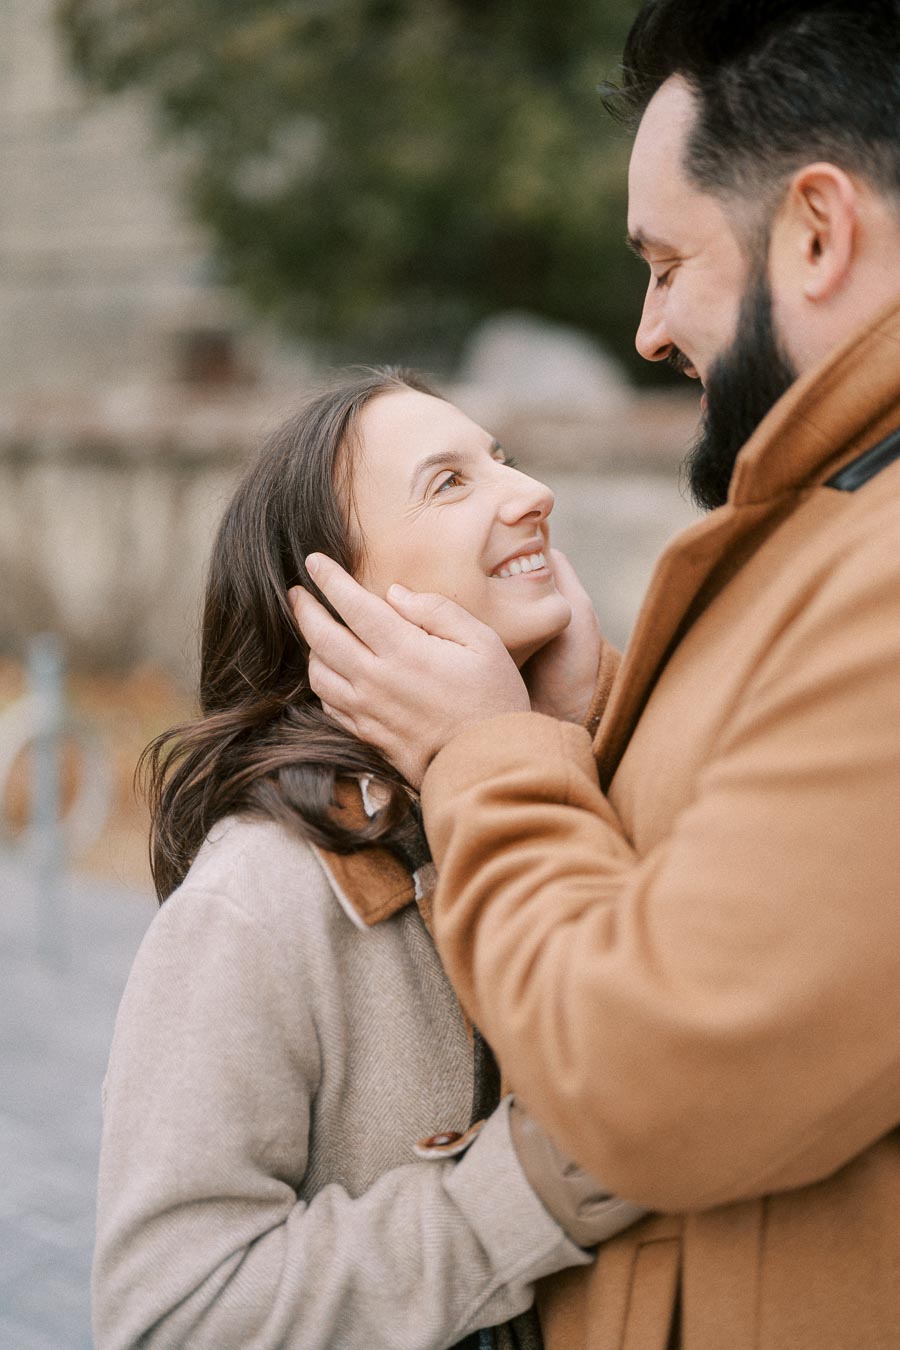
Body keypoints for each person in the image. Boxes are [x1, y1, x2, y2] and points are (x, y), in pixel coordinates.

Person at [292, 3, 900, 1347]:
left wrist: (477, 755)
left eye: (668, 263)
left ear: (816, 228)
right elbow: (768, 855)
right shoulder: (845, 514)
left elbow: (659, 1077)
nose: (647, 326)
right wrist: (581, 716)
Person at [92, 369, 647, 1350]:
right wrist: (522, 1196)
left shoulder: (586, 782)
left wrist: (575, 731)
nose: (531, 495)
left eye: (503, 462)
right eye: (448, 482)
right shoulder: (259, 899)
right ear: (332, 603)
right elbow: (166, 1317)